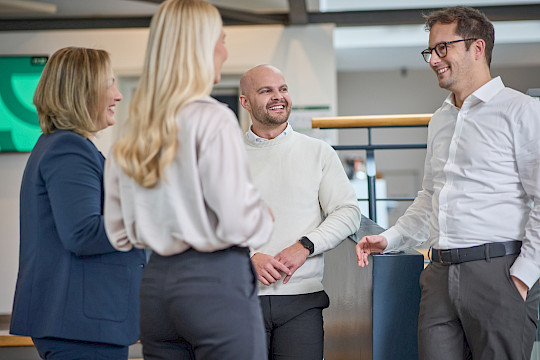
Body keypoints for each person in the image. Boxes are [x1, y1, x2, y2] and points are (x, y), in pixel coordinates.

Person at [356, 6, 540, 360]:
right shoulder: (440, 119)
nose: (433, 60)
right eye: (430, 50)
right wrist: (390, 238)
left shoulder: (521, 111)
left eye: (443, 48)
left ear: (477, 48)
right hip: (439, 274)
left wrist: (522, 276)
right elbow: (429, 197)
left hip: (499, 272)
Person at [103, 1, 274, 359]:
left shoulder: (134, 127)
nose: (225, 52)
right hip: (215, 285)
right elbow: (240, 222)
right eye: (221, 40)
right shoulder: (213, 118)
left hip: (156, 289)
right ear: (201, 47)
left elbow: (119, 235)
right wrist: (262, 216)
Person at [9, 47, 146, 360]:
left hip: (85, 324)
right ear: (82, 93)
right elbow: (83, 233)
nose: (118, 95)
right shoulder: (68, 148)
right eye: (109, 85)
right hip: (82, 327)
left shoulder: (69, 145)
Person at [239, 64, 362, 359]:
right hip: (237, 299)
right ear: (245, 102)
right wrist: (245, 257)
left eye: (282, 89)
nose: (277, 97)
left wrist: (305, 246)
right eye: (265, 91)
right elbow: (205, 222)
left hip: (302, 301)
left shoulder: (318, 152)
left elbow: (348, 212)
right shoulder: (224, 154)